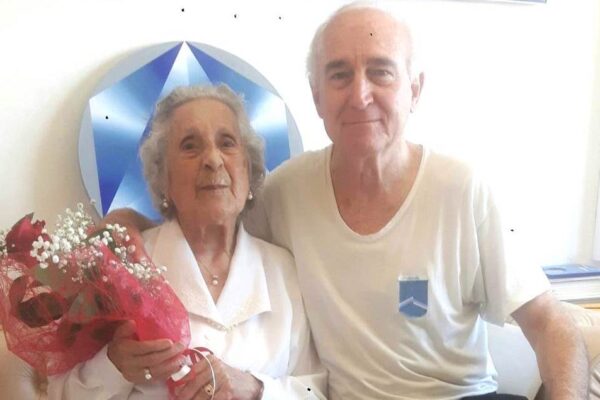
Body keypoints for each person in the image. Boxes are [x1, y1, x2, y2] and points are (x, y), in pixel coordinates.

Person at [105, 2, 589, 399]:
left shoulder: (462, 190)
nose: (359, 95)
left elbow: (550, 322)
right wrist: (124, 224)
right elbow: (207, 217)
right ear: (317, 96)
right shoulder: (287, 192)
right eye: (339, 75)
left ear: (415, 89)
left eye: (380, 72)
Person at [47, 84, 326, 400]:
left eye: (227, 143)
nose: (213, 159)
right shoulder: (122, 266)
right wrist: (113, 366)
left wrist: (255, 388)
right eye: (190, 146)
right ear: (163, 178)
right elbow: (60, 393)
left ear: (248, 171)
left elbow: (314, 391)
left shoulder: (284, 270)